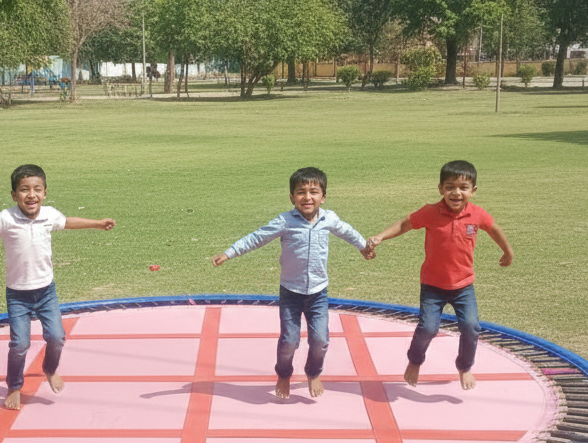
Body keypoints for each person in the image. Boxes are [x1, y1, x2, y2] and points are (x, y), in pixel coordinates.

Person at [0, 164, 115, 409]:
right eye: (24, 190)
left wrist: (97, 223)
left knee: (56, 337)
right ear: (14, 195)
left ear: (45, 193)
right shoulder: (5, 218)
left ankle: (49, 369)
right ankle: (14, 386)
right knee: (19, 344)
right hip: (18, 295)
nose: (31, 195)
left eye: (37, 189)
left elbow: (68, 222)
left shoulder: (49, 215)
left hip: (46, 292)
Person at [212, 167, 375, 400]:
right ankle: (284, 374)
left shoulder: (329, 218)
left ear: (323, 196)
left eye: (313, 192)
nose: (307, 197)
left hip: (318, 293)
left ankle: (313, 372)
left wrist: (363, 247)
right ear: (292, 197)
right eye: (301, 192)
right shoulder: (285, 221)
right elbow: (257, 237)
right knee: (289, 341)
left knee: (321, 340)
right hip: (290, 292)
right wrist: (229, 253)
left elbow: (347, 232)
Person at [367, 159, 513, 390]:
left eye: (463, 188)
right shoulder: (430, 212)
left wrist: (507, 251)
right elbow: (405, 224)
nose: (456, 193)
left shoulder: (477, 215)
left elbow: (494, 229)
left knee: (471, 327)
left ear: (473, 191)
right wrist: (380, 237)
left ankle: (464, 366)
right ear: (440, 189)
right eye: (450, 187)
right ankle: (415, 361)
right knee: (428, 328)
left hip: (463, 286)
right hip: (433, 286)